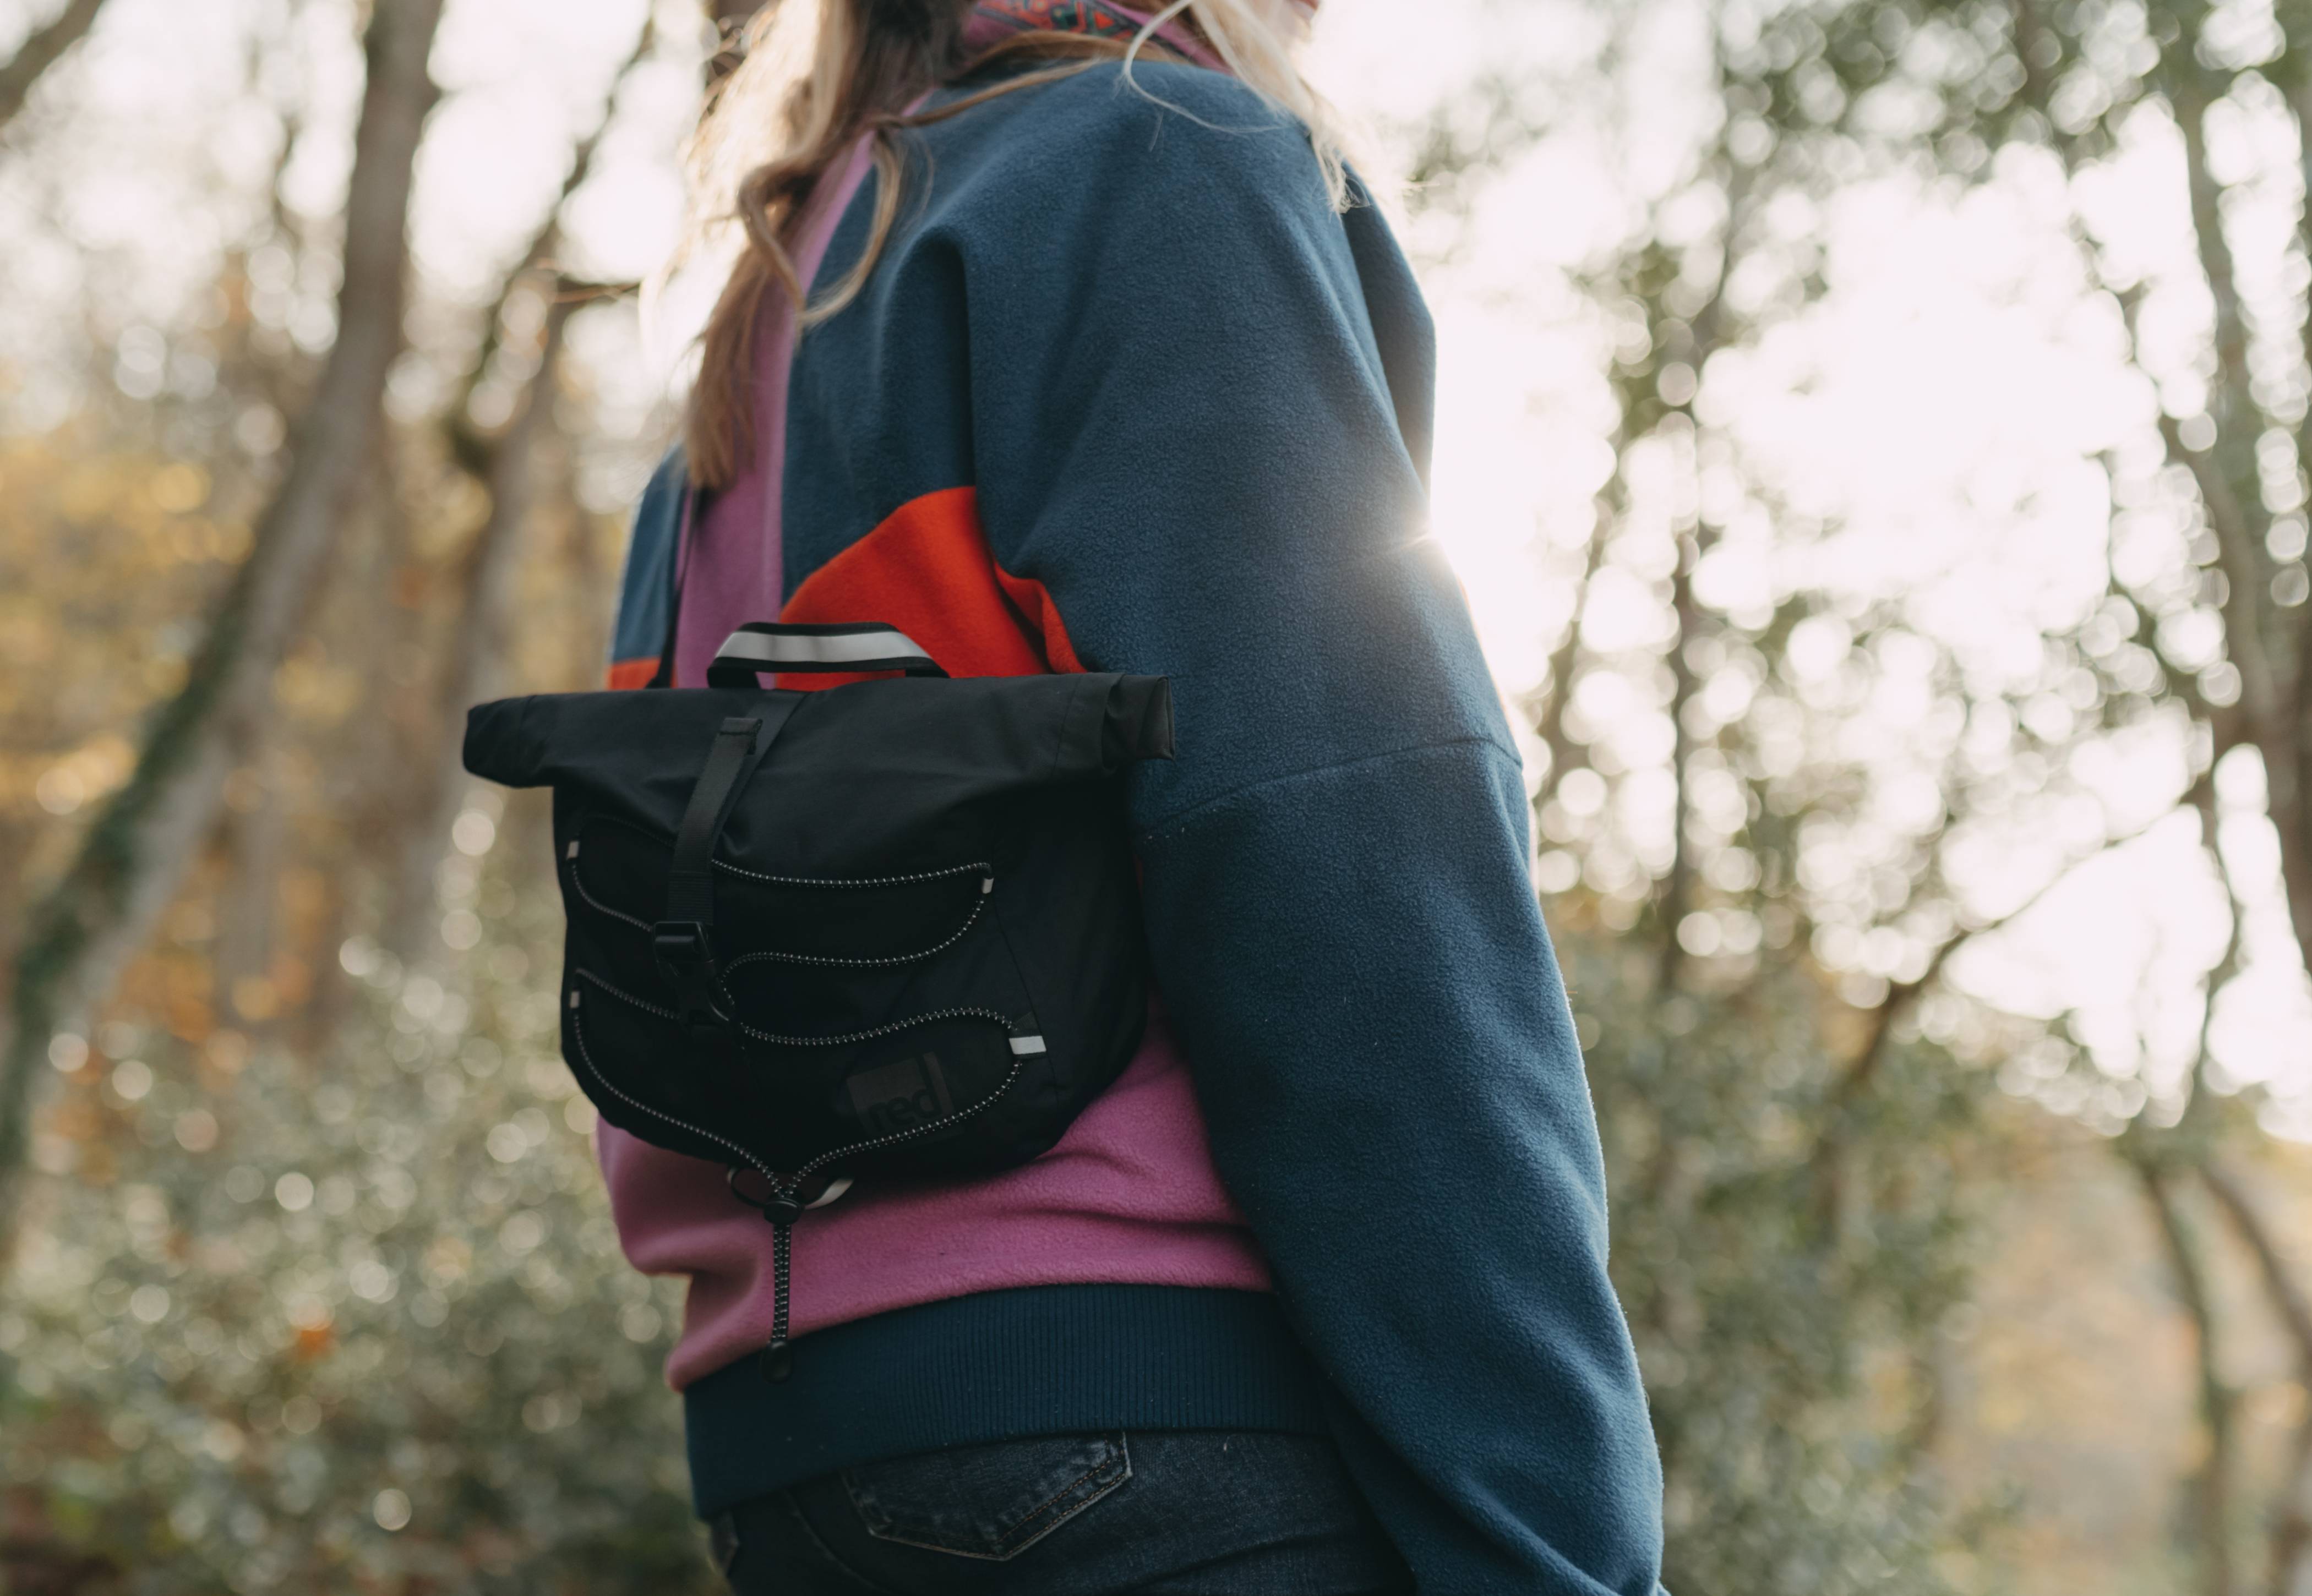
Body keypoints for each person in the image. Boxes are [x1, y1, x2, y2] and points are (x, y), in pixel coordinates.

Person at [597, 2, 1666, 1590]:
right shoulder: (1156, 159)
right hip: (1158, 1437)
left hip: (798, 1466)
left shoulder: (766, 306)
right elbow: (1355, 873)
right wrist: (1560, 1544)